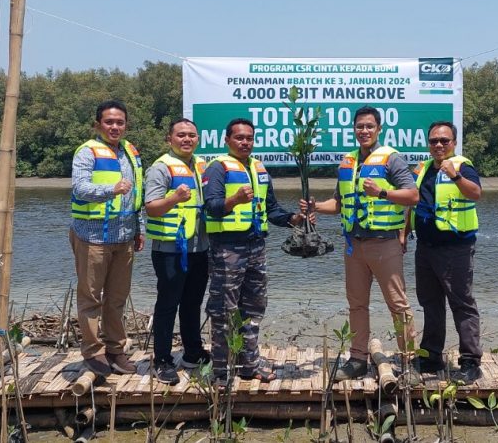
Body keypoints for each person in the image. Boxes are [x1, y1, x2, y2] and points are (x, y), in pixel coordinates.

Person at [302, 106, 420, 382]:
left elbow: (413, 196)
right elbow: (340, 204)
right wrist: (316, 206)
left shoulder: (392, 159)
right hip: (353, 246)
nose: (364, 131)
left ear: (379, 129)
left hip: (384, 244)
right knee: (357, 304)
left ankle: (409, 361)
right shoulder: (348, 162)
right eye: (359, 127)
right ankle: (357, 359)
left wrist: (381, 191)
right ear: (353, 129)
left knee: (398, 304)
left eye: (369, 126)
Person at [202, 118, 305, 385]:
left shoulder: (259, 169)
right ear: (227, 140)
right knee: (224, 310)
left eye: (249, 138)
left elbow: (272, 210)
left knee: (254, 307)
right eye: (239, 138)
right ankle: (221, 372)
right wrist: (234, 200)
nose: (245, 142)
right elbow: (210, 206)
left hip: (256, 247)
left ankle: (248, 364)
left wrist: (293, 219)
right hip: (227, 248)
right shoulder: (217, 168)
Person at [69, 100, 145, 377]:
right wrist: (110, 189)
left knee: (117, 298)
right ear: (98, 124)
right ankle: (93, 352)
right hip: (91, 236)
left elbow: (137, 195)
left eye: (120, 122)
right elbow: (79, 188)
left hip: (124, 235)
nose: (115, 127)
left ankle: (116, 349)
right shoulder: (87, 151)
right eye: (109, 122)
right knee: (90, 298)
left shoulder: (130, 152)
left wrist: (140, 229)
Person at [408, 121, 483, 383]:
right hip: (426, 248)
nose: (438, 145)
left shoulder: (462, 166)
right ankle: (431, 356)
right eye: (433, 141)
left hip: (456, 248)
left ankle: (471, 362)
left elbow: (476, 194)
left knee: (462, 304)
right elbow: (413, 202)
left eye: (444, 141)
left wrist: (455, 176)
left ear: (453, 143)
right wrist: (403, 234)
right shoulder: (424, 168)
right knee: (430, 303)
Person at [144, 118, 211, 385]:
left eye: (191, 135)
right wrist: (173, 198)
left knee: (193, 302)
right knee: (168, 303)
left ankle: (193, 352)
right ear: (169, 139)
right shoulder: (161, 168)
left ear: (197, 139)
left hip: (199, 247)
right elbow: (151, 207)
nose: (187, 139)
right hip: (169, 249)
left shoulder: (202, 165)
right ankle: (162, 360)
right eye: (181, 135)